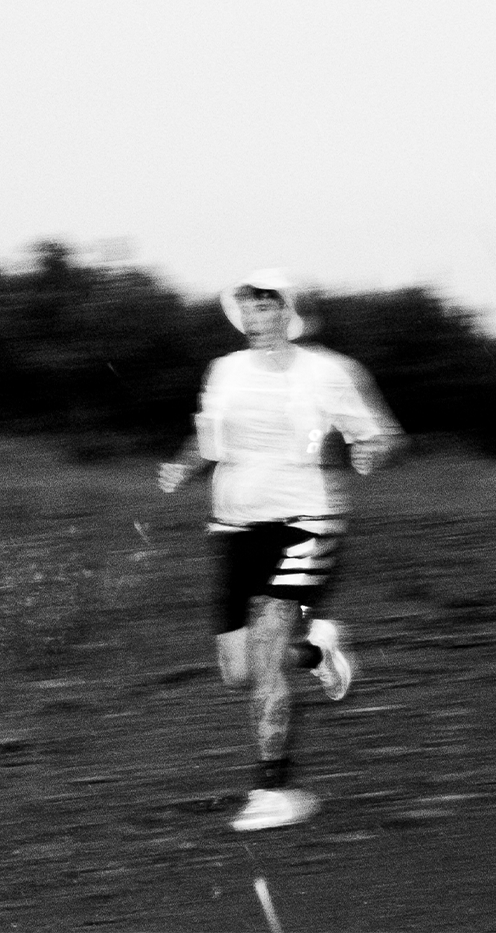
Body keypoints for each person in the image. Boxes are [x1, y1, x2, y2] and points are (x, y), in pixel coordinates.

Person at [158, 268, 402, 832]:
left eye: (266, 306)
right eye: (247, 307)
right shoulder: (224, 371)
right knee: (239, 671)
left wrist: (371, 452)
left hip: (304, 523)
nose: (255, 316)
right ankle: (316, 655)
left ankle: (276, 790)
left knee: (267, 650)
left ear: (288, 313)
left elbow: (382, 433)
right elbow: (208, 440)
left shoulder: (328, 372)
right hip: (233, 527)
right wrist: (182, 465)